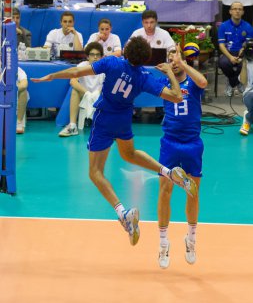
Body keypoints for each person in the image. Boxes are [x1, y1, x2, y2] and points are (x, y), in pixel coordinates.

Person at [31, 37, 198, 246]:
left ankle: (123, 213)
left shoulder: (111, 62)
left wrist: (52, 76)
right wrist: (171, 73)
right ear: (145, 57)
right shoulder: (145, 77)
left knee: (94, 172)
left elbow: (75, 73)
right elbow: (176, 97)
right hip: (123, 119)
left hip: (104, 118)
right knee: (129, 153)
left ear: (126, 51)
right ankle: (168, 172)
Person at [157, 48, 207, 269]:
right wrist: (168, 71)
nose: (173, 61)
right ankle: (163, 243)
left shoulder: (194, 83)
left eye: (175, 57)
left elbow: (204, 82)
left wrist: (183, 63)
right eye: (169, 58)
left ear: (183, 59)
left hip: (192, 144)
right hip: (169, 143)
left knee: (192, 192)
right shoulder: (164, 82)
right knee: (165, 191)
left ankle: (191, 239)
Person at [130, 10, 175, 118]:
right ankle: (136, 108)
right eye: (146, 22)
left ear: (156, 22)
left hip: (159, 68)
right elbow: (128, 49)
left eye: (152, 22)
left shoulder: (164, 34)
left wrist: (171, 56)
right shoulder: (137, 34)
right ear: (142, 22)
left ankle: (160, 108)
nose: (149, 25)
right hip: (140, 68)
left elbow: (172, 50)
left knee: (163, 76)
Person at [59, 42, 105, 137]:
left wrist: (96, 93)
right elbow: (73, 81)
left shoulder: (105, 67)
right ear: (88, 57)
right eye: (92, 55)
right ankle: (72, 126)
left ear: (101, 57)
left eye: (98, 55)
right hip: (85, 94)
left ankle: (108, 128)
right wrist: (87, 93)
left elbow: (106, 84)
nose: (95, 57)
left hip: (99, 96)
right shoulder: (81, 66)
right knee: (74, 91)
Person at [218, 1, 253, 97]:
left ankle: (231, 83)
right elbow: (221, 45)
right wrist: (230, 57)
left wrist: (243, 50)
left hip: (242, 52)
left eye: (240, 9)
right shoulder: (223, 26)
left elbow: (249, 43)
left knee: (244, 64)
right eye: (235, 9)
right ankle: (236, 82)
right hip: (228, 52)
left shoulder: (248, 26)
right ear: (230, 11)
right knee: (223, 63)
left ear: (243, 12)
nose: (237, 11)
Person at [238, 40, 253, 136]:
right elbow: (243, 82)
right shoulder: (247, 63)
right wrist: (243, 62)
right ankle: (247, 121)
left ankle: (248, 116)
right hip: (250, 93)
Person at [16, 67, 29, 135]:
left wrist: (10, 91)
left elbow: (24, 85)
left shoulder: (17, 70)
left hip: (13, 93)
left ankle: (19, 122)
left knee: (24, 92)